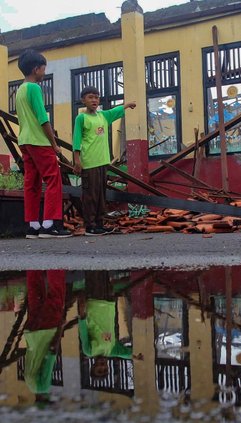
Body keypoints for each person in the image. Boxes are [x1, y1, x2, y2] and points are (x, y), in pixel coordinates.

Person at [16, 49, 72, 238]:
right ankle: (49, 225)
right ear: (35, 69)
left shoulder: (20, 90)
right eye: (43, 69)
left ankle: (33, 225)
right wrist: (54, 143)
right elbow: (42, 119)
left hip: (24, 141)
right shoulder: (34, 88)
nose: (44, 72)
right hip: (38, 141)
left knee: (31, 183)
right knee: (53, 179)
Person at [73, 87, 136, 236]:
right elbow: (76, 139)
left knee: (101, 195)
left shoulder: (103, 116)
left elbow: (115, 111)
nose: (94, 100)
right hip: (89, 163)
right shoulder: (81, 118)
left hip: (102, 162)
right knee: (90, 195)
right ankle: (90, 226)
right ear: (83, 100)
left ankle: (99, 224)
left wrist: (127, 105)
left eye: (96, 97)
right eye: (90, 97)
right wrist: (77, 160)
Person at [23, 270, 66, 403]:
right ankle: (32, 266)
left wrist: (60, 328)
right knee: (35, 294)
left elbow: (51, 353)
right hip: (31, 333)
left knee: (56, 295)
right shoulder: (29, 384)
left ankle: (55, 266)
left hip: (47, 330)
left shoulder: (43, 387)